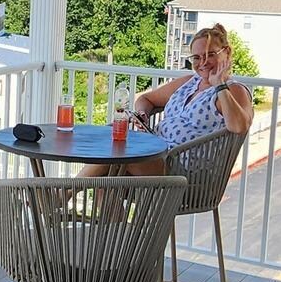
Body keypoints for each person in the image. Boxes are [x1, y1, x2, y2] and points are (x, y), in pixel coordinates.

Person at [84, 26, 252, 175]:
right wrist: (142, 114)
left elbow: (239, 127)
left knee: (118, 153)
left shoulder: (233, 90)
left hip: (183, 170)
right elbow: (146, 99)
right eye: (197, 57)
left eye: (210, 55)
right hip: (154, 153)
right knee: (105, 174)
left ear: (227, 52)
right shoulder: (189, 82)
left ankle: (64, 193)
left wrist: (219, 84)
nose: (203, 62)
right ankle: (66, 196)